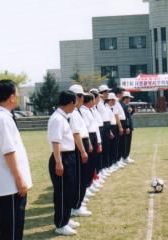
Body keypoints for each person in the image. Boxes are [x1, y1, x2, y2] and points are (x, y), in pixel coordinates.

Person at [0, 79, 32, 240]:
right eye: (17, 94)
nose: (18, 97)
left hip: (3, 185)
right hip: (9, 186)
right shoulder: (3, 119)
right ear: (11, 97)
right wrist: (20, 180)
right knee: (11, 232)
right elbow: (9, 152)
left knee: (3, 232)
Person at [47, 90, 80, 236]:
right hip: (61, 158)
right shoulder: (57, 119)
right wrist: (59, 162)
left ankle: (65, 219)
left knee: (69, 191)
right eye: (74, 104)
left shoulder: (63, 117)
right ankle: (60, 224)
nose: (75, 107)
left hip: (68, 156)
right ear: (71, 103)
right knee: (62, 193)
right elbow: (56, 142)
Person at [68, 84, 92, 217]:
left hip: (82, 142)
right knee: (79, 177)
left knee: (82, 176)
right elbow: (76, 133)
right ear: (77, 97)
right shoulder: (72, 112)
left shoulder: (77, 111)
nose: (83, 99)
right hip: (78, 145)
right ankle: (76, 205)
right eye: (82, 96)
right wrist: (82, 150)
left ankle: (78, 202)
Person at [80, 93, 103, 196]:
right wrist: (89, 143)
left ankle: (91, 182)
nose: (95, 102)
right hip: (88, 136)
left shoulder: (89, 110)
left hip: (93, 135)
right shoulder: (84, 112)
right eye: (93, 100)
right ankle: (87, 185)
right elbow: (85, 129)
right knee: (89, 163)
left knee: (93, 161)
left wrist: (98, 140)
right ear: (89, 101)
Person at [97, 85, 113, 178]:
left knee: (107, 147)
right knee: (103, 149)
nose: (108, 94)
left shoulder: (102, 103)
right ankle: (102, 169)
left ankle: (105, 167)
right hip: (102, 127)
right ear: (102, 93)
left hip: (106, 126)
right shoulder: (99, 103)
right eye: (107, 92)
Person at [120, 91, 135, 163]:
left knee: (127, 142)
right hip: (126, 127)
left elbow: (128, 116)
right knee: (126, 142)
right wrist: (127, 127)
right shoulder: (123, 106)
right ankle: (125, 156)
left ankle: (126, 156)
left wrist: (131, 112)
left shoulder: (124, 105)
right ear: (125, 98)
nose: (130, 100)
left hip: (127, 127)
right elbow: (125, 118)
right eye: (129, 98)